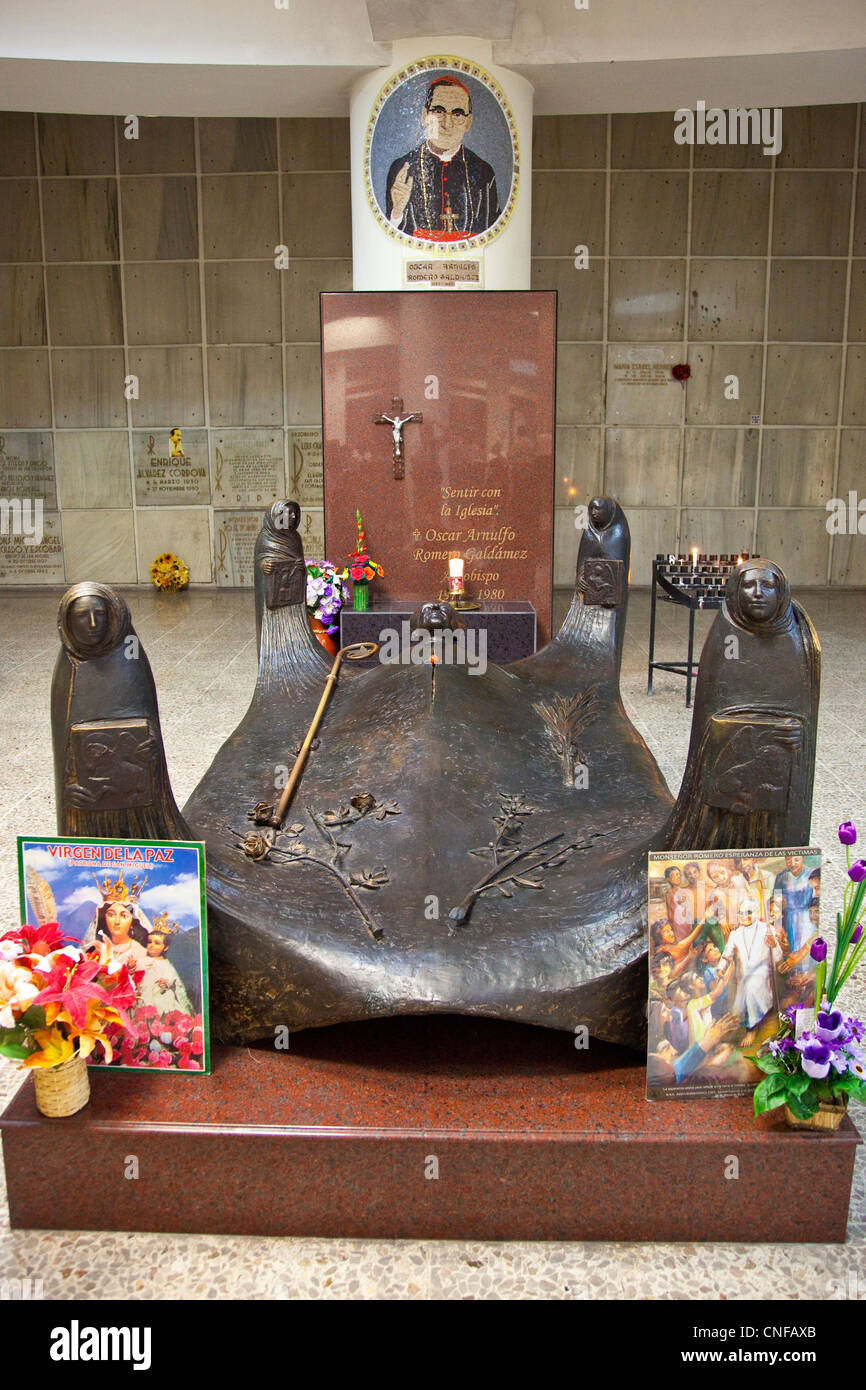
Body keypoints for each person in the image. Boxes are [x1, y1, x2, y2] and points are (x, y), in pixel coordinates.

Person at [386, 75, 501, 240]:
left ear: (468, 122)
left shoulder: (484, 172)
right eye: (438, 111)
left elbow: (492, 232)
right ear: (425, 116)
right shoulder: (402, 169)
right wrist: (397, 212)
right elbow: (392, 237)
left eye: (457, 114)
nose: (447, 124)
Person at [720, 897, 783, 1030]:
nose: (744, 916)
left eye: (748, 912)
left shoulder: (767, 929)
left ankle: (752, 1027)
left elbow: (778, 956)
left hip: (762, 971)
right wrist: (721, 968)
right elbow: (727, 954)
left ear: (756, 912)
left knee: (750, 986)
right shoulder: (735, 934)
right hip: (744, 973)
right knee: (744, 988)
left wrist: (774, 945)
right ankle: (747, 1021)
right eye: (741, 913)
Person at [138, 913, 193, 1018]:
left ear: (165, 947)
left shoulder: (167, 965)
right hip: (143, 999)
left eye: (157, 943)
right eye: (150, 942)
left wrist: (167, 983)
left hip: (162, 1000)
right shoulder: (141, 961)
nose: (152, 946)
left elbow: (176, 982)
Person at [773, 854, 814, 956]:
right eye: (788, 860)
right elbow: (776, 901)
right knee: (789, 949)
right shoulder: (781, 877)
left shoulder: (811, 874)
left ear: (803, 858)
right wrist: (778, 924)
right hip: (788, 920)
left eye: (796, 860)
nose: (792, 864)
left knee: (805, 952)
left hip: (806, 919)